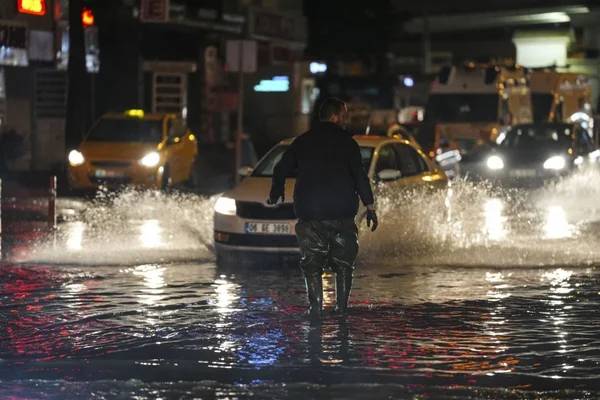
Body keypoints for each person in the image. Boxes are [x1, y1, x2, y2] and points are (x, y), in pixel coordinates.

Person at [267, 97, 378, 319]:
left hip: (311, 212)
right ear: (335, 116)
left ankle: (315, 309)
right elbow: (359, 176)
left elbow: (280, 168)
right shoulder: (348, 143)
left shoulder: (303, 141)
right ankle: (342, 311)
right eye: (344, 115)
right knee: (344, 264)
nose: (346, 119)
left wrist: (276, 192)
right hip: (341, 213)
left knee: (312, 264)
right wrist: (370, 206)